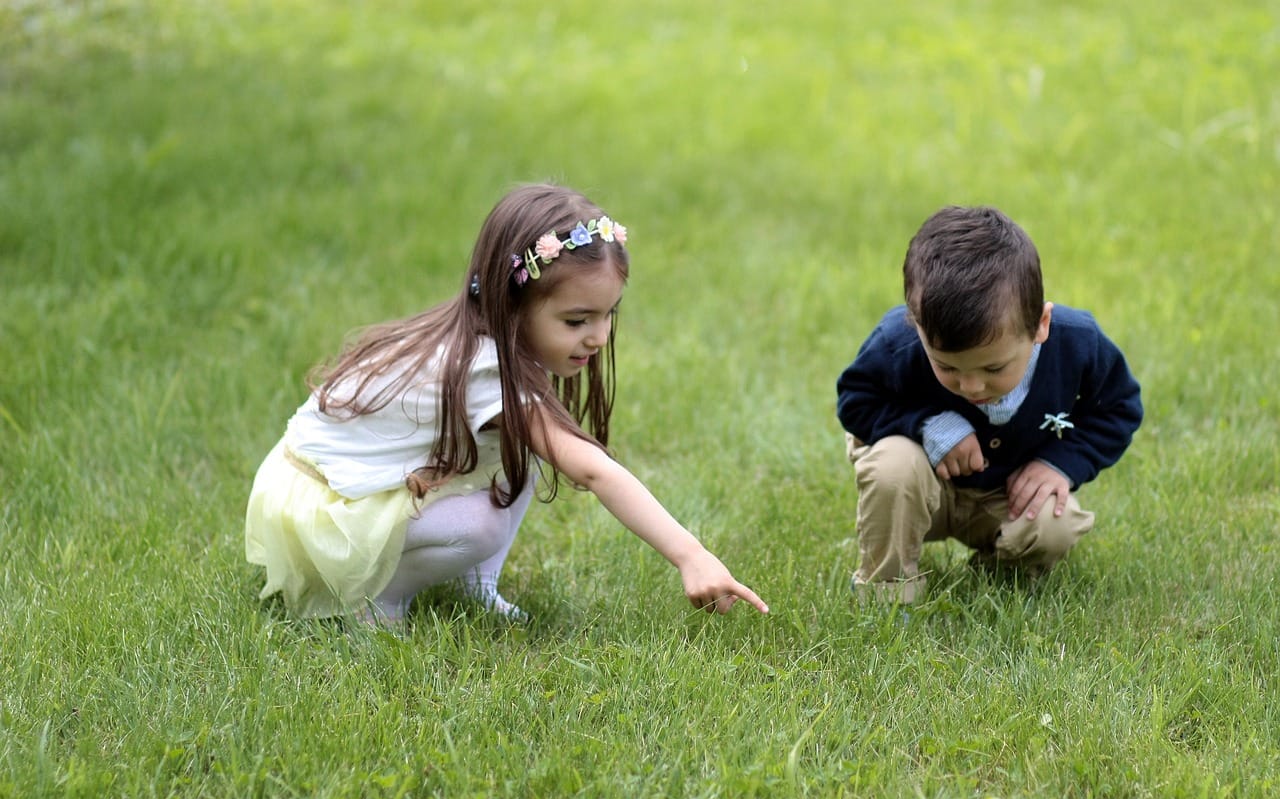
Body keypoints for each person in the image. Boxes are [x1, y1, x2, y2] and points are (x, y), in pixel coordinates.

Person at [246, 183, 769, 625]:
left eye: (609, 315)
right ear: (512, 305)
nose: (599, 337)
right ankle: (375, 603)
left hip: (355, 483)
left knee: (533, 446)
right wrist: (690, 555)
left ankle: (476, 582)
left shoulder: (504, 347)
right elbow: (595, 472)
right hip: (319, 508)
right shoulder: (481, 370)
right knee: (482, 524)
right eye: (577, 321)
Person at [835, 205, 1142, 604]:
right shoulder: (898, 342)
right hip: (922, 486)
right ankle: (886, 593)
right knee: (892, 466)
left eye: (994, 367)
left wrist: (1060, 464)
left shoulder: (1077, 344)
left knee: (1054, 524)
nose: (971, 385)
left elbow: (1119, 408)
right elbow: (856, 401)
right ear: (917, 325)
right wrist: (928, 425)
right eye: (945, 366)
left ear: (1040, 326)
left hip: (1004, 494)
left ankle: (996, 572)